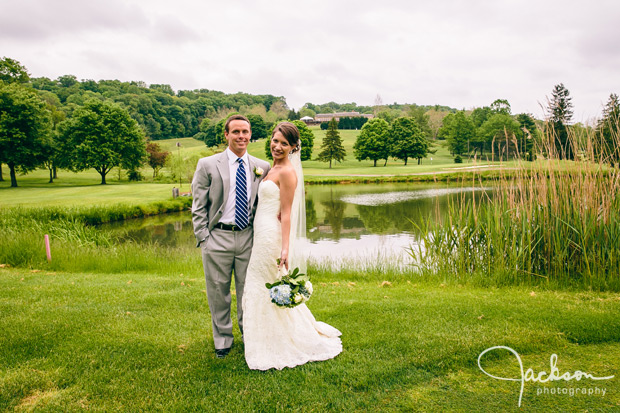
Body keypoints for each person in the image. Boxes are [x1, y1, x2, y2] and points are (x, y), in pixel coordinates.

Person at [242, 122, 342, 370]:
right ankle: (264, 337)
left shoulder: (287, 172)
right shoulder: (271, 167)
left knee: (263, 285)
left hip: (270, 237)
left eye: (284, 144)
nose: (277, 146)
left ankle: (278, 341)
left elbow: (286, 213)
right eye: (275, 141)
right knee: (259, 285)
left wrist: (285, 249)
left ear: (294, 147)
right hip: (260, 232)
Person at [191, 114, 271, 359]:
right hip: (218, 237)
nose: (241, 136)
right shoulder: (207, 164)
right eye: (236, 132)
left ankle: (250, 336)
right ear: (226, 135)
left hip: (248, 237)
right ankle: (223, 340)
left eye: (245, 132)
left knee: (249, 291)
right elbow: (198, 205)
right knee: (218, 291)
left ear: (250, 135)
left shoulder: (261, 166)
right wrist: (204, 237)